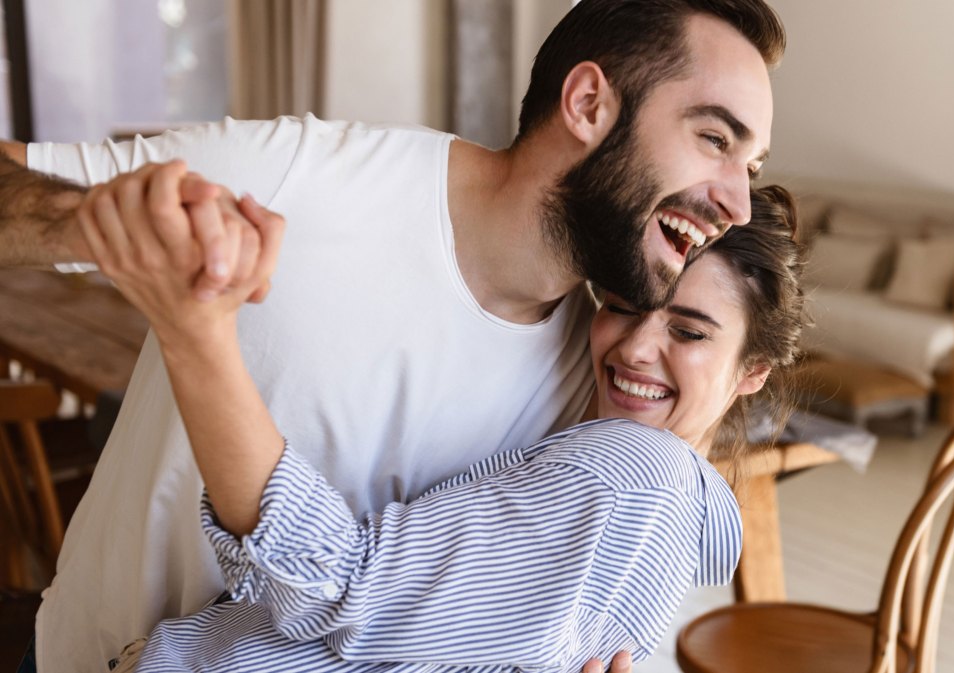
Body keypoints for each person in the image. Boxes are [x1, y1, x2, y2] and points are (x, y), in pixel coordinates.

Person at [0, 2, 785, 670]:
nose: (737, 202)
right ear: (588, 105)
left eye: (750, 165)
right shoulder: (306, 174)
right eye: (716, 139)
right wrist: (106, 227)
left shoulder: (603, 368)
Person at [82, 185, 806, 672]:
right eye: (621, 303)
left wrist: (197, 332)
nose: (633, 348)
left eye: (689, 330)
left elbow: (344, 589)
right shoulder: (672, 518)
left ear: (753, 370)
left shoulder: (629, 471)